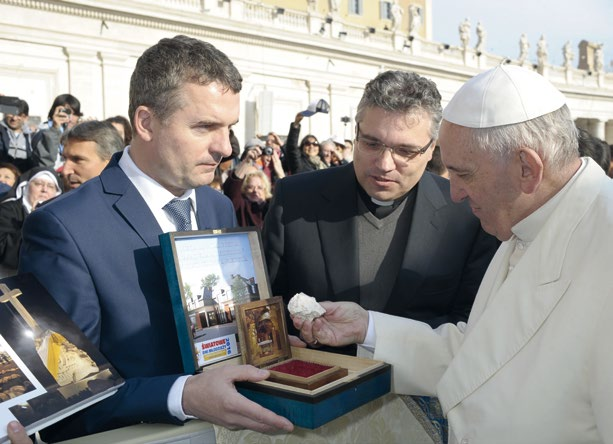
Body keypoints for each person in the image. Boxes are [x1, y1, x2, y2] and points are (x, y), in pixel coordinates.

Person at [294, 64, 613, 443]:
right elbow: (478, 357)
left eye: (464, 174)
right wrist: (368, 327)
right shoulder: (526, 221)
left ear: (527, 168)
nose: (455, 193)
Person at [18, 35, 293, 442]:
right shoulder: (64, 228)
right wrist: (183, 396)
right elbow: (66, 397)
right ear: (146, 123)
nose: (225, 147)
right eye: (205, 127)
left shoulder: (216, 207)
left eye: (230, 128)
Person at [264, 70, 498, 336]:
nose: (385, 164)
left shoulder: (467, 212)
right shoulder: (295, 199)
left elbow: (468, 322)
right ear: (356, 133)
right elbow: (266, 306)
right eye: (372, 144)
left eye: (405, 151)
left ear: (432, 148)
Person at [0, 167, 61, 273]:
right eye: (38, 184)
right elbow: (4, 251)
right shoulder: (8, 210)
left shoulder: (61, 218)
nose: (44, 189)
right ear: (26, 187)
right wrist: (34, 221)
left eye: (51, 186)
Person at [222, 139, 273, 228]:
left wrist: (275, 159)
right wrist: (247, 160)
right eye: (250, 187)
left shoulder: (271, 206)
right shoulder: (241, 206)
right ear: (244, 190)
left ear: (266, 190)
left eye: (260, 187)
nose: (255, 191)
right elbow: (233, 186)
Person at [60, 120, 124, 189]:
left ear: (110, 163)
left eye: (77, 159)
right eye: (64, 159)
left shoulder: (133, 197)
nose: (65, 171)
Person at [31, 93, 82, 169]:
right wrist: (55, 128)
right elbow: (46, 163)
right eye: (66, 112)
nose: (70, 118)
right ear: (55, 111)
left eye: (75, 114)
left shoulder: (75, 134)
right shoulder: (43, 132)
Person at [0, 98, 34, 172]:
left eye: (19, 115)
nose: (14, 118)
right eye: (11, 113)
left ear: (25, 118)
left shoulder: (31, 136)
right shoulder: (1, 131)